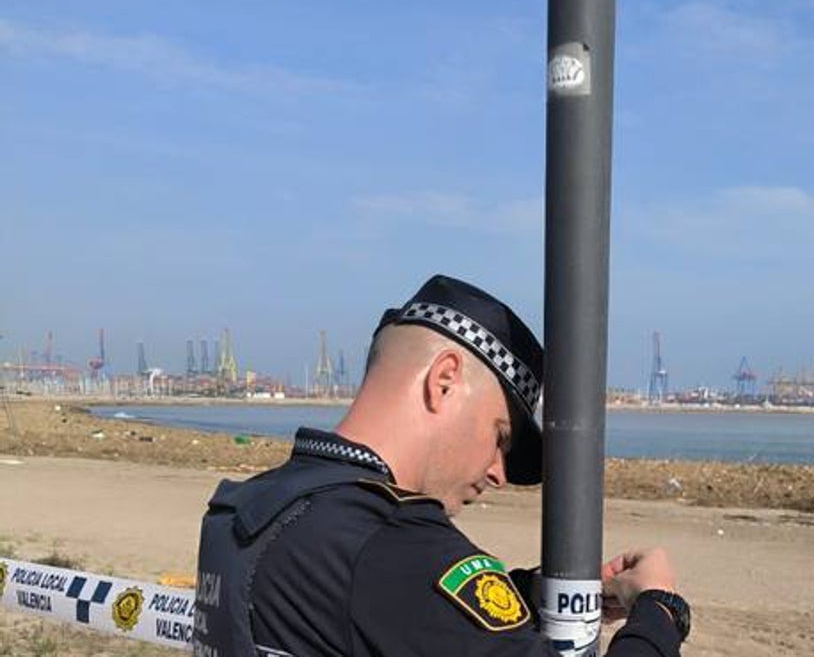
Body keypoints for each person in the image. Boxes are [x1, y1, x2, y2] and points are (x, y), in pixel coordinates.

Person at [193, 274, 690, 656]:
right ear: (445, 380)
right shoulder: (392, 542)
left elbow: (382, 610)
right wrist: (659, 611)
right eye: (500, 436)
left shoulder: (250, 510)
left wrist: (533, 591)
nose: (498, 472)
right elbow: (392, 582)